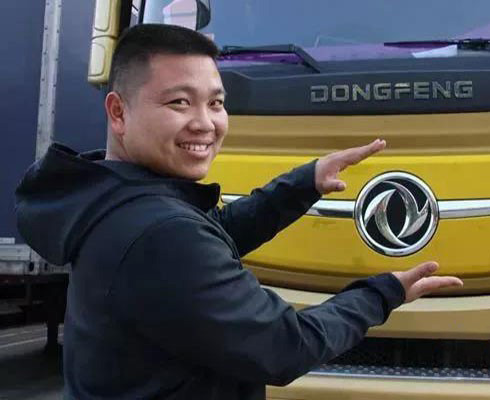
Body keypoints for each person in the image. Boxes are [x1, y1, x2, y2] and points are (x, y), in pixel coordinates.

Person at [15, 24, 462, 399]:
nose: (205, 123)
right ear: (118, 112)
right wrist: (383, 294)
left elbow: (212, 233)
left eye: (216, 102)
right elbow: (285, 347)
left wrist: (304, 183)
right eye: (179, 102)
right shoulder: (159, 233)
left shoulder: (112, 199)